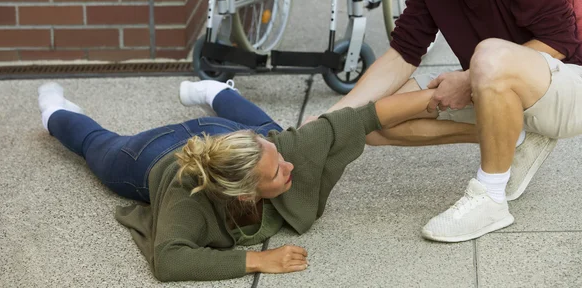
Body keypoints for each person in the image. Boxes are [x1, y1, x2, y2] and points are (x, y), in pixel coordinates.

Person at [307, 0, 582, 243]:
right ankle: (516, 137)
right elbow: (404, 52)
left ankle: (490, 198)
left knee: (488, 56)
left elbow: (560, 39)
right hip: (499, 87)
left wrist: (468, 79)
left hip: (567, 85)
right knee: (369, 123)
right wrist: (331, 120)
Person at [38, 79, 441, 282]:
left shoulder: (278, 150)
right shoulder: (187, 198)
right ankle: (53, 109)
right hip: (157, 153)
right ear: (245, 192)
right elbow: (170, 259)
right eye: (278, 172)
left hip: (226, 132)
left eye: (280, 161)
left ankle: (213, 90)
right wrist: (258, 260)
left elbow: (366, 116)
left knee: (274, 130)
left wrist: (436, 98)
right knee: (98, 149)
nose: (291, 168)